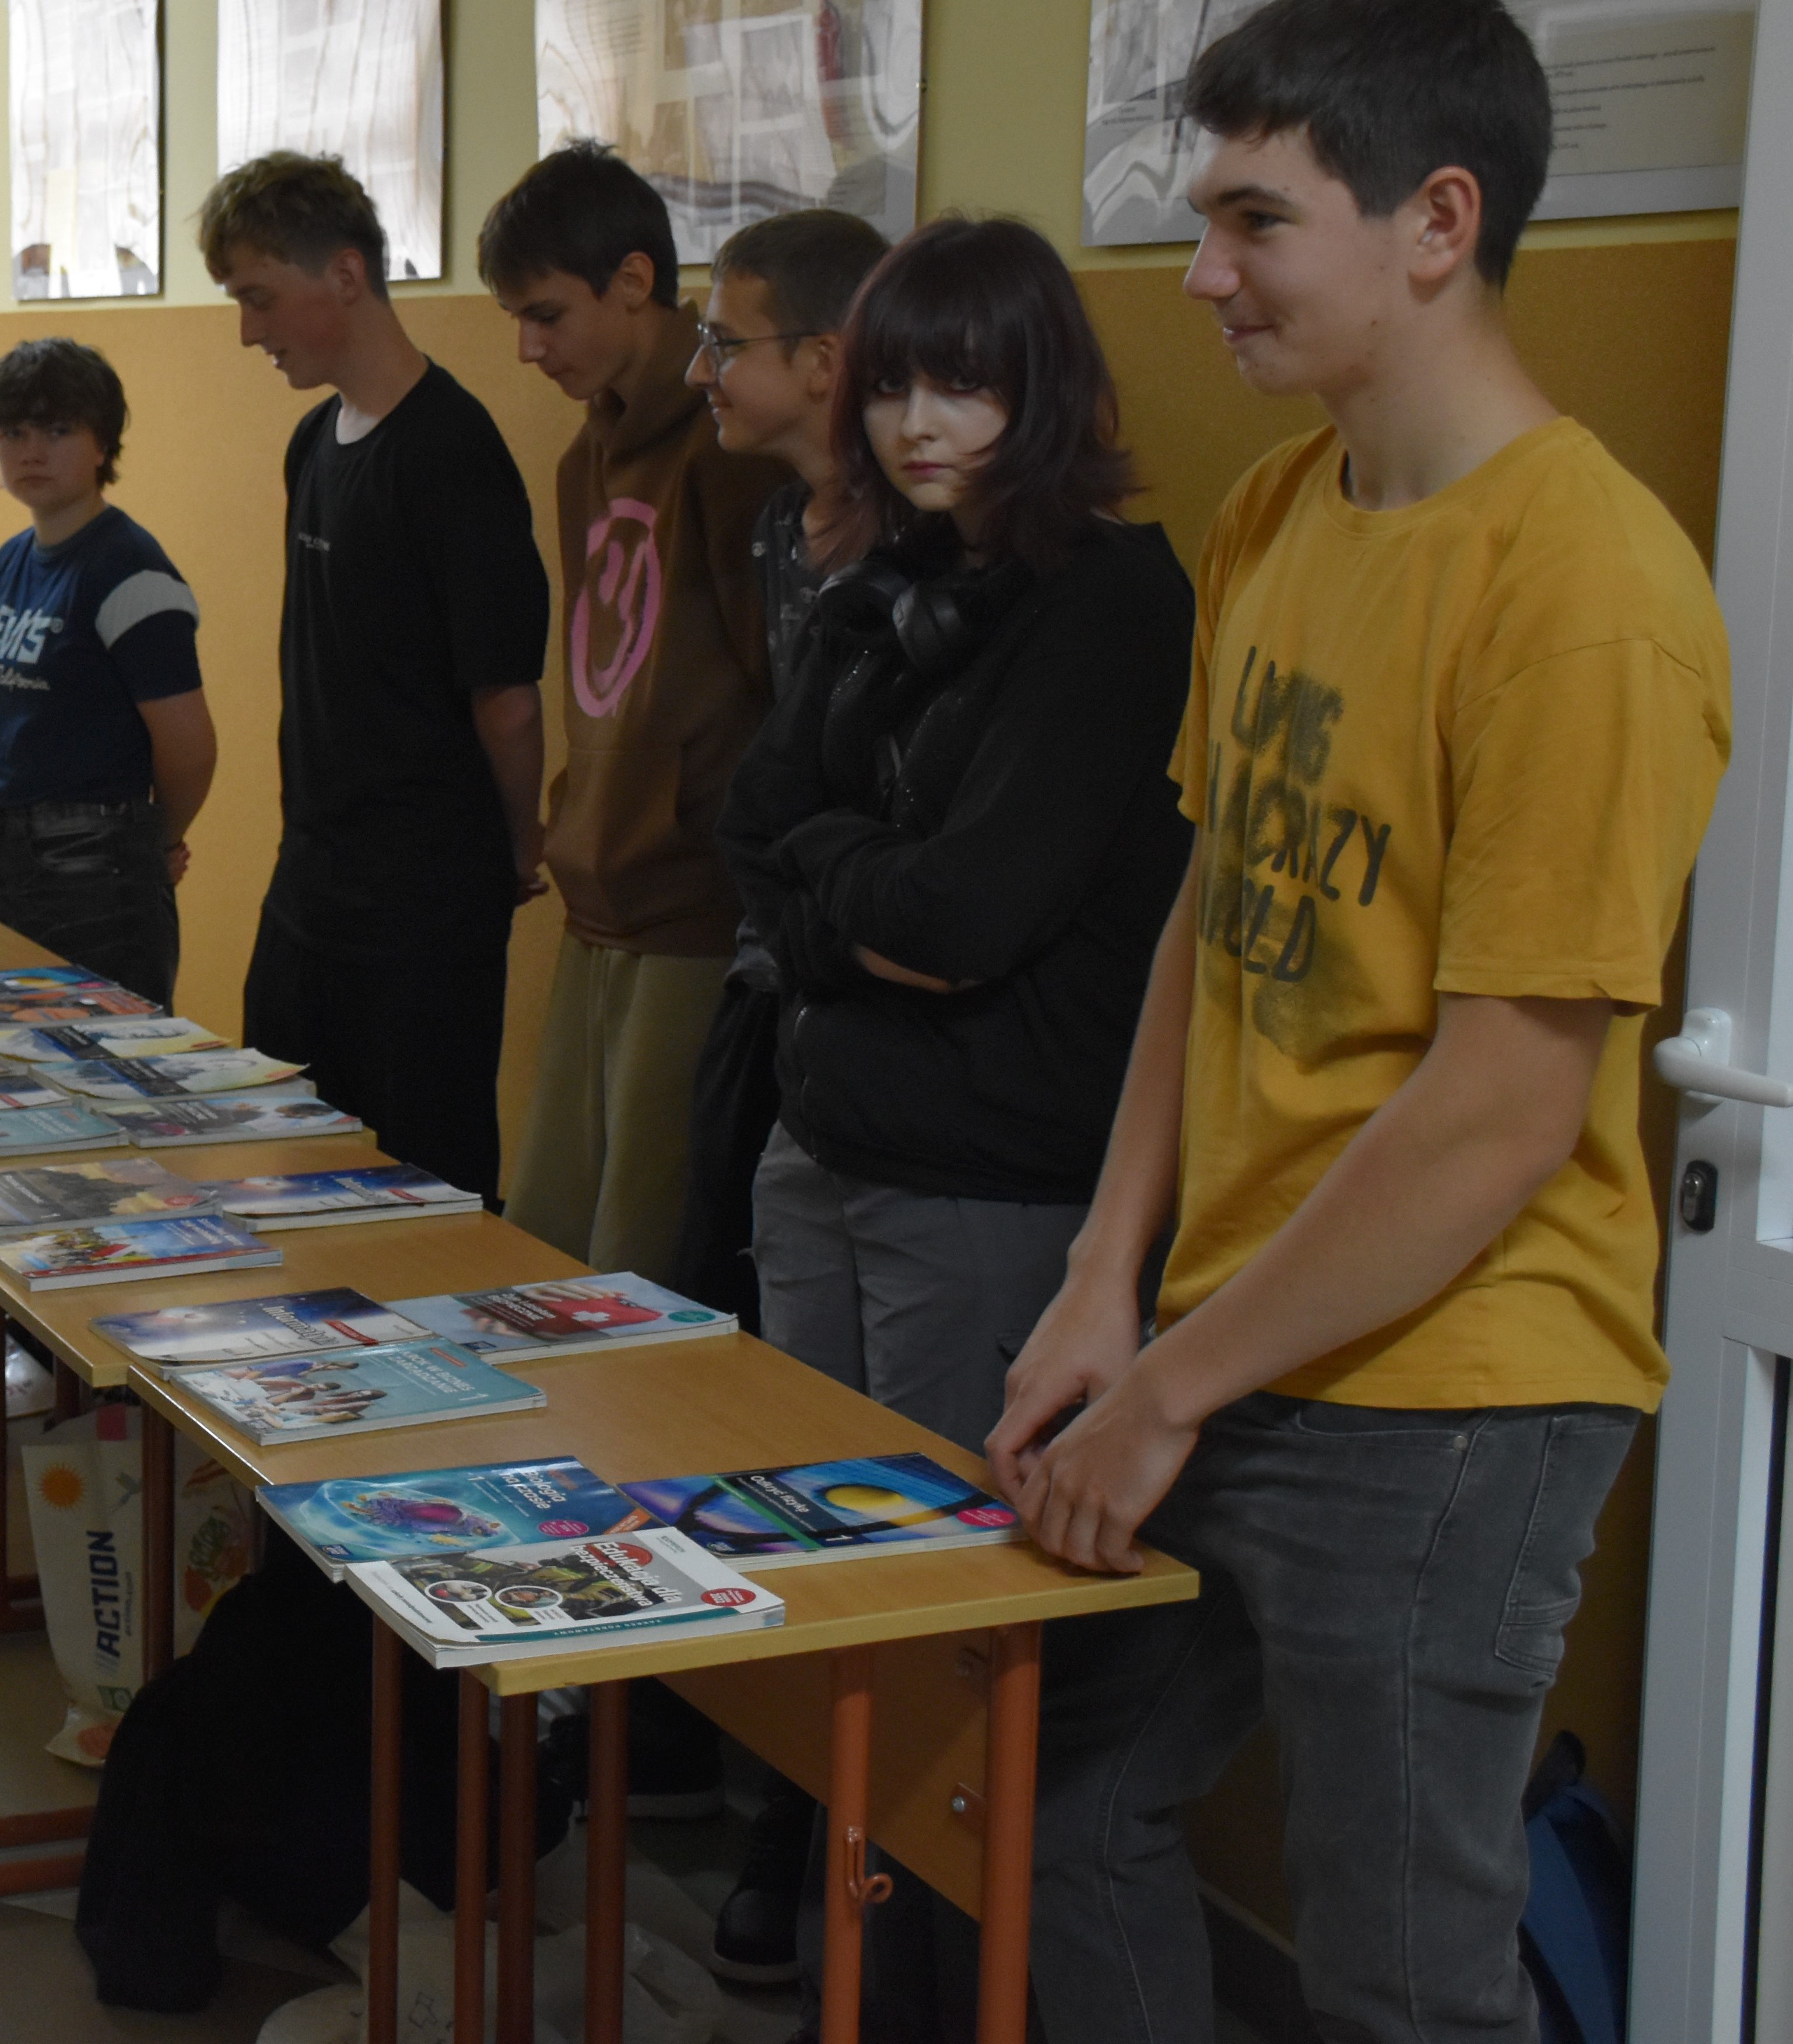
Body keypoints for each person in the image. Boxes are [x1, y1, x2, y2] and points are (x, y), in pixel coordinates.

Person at [983, 5, 1732, 2039]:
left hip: (1449, 1387)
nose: (1198, 273)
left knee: (1403, 1973)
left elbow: (1498, 1109)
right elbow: (1209, 917)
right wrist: (1104, 1274)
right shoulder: (1277, 511)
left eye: (1251, 220)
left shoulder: (1586, 591)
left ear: (1435, 223)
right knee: (1053, 1809)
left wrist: (1166, 1387)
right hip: (1230, 1327)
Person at [718, 213, 1195, 2036]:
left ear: (1044, 390)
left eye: (967, 386)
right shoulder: (891, 581)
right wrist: (860, 897)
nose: (922, 424)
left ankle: (927, 2006)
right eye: (894, 385)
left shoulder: (1110, 603)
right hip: (822, 1152)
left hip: (985, 1191)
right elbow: (755, 828)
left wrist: (841, 889)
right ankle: (853, 1993)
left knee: (946, 1648)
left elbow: (969, 916)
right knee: (825, 1615)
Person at [675, 205, 889, 1987]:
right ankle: (757, 1800)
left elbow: (874, 828)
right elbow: (769, 793)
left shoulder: (934, 549)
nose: (702, 370)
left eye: (725, 339)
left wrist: (807, 884)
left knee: (857, 1462)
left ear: (824, 360)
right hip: (765, 1001)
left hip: (866, 1031)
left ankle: (829, 1860)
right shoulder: (769, 528)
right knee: (728, 1380)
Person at [199, 153, 550, 1207]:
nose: (249, 332)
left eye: (261, 299)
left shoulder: (452, 451)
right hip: (311, 886)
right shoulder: (315, 441)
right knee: (287, 1175)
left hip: (422, 904)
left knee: (421, 1192)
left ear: (345, 275)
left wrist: (518, 843)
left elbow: (507, 698)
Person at [478, 143, 785, 1277]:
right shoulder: (583, 455)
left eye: (547, 314)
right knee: (548, 1237)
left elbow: (774, 686)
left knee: (643, 1255)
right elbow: (599, 670)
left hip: (699, 899)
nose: (529, 348)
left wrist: (709, 835)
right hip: (598, 886)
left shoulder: (732, 448)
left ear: (635, 282)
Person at [0, 339, 216, 1008]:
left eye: (57, 430)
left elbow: (189, 746)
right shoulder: (10, 562)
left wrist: (159, 839)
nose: (32, 451)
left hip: (96, 883)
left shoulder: (131, 571)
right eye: (14, 432)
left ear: (102, 444)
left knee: (105, 1063)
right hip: (12, 866)